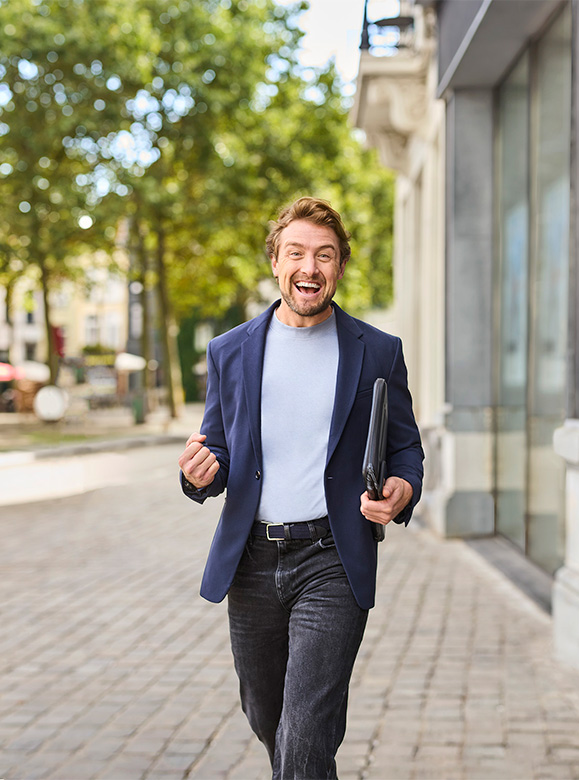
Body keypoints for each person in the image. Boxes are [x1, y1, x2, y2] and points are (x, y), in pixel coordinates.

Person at [178, 196, 424, 780]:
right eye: (297, 253)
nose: (310, 267)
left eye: (325, 255)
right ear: (275, 262)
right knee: (270, 718)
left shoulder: (378, 352)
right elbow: (215, 445)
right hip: (252, 562)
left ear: (339, 269)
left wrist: (402, 488)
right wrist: (196, 473)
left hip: (333, 558)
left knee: (307, 730)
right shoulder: (229, 351)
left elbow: (406, 447)